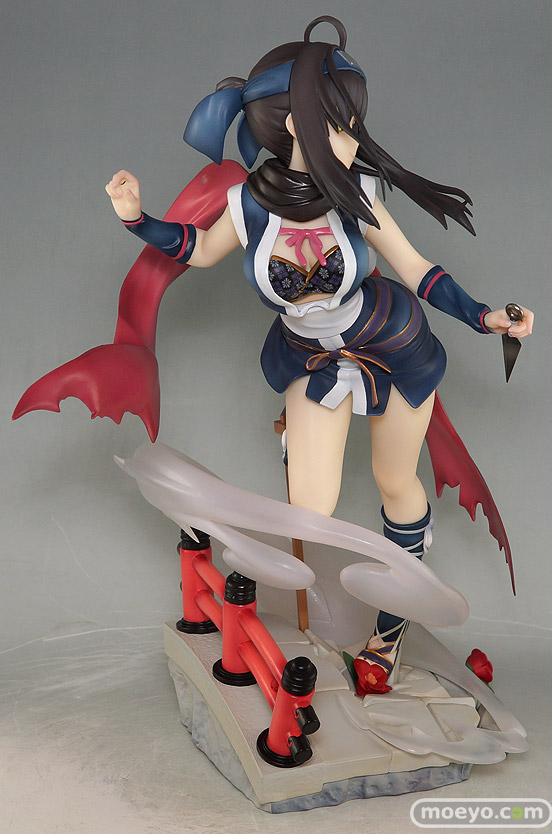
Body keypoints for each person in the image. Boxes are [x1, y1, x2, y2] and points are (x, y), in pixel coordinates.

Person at [100, 16, 530, 694]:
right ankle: (301, 474)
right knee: (309, 505)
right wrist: (136, 217)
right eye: (340, 122)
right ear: (294, 125)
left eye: (353, 122)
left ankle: (388, 633)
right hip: (310, 357)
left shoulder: (360, 197)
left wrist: (484, 317)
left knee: (396, 483)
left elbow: (417, 269)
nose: (354, 137)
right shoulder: (248, 205)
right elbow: (197, 250)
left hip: (391, 346)